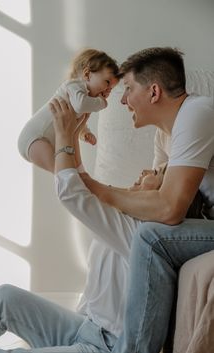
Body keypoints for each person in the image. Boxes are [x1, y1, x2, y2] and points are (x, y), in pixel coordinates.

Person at [0, 91, 174, 352]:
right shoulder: (122, 214)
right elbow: (83, 183)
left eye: (157, 173)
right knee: (5, 298)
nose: (146, 170)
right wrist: (74, 133)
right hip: (84, 326)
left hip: (106, 347)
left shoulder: (140, 231)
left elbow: (72, 192)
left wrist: (63, 135)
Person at [79, 47, 214, 353]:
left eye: (127, 89)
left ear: (154, 92)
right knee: (135, 227)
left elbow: (169, 209)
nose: (123, 100)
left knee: (151, 237)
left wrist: (100, 190)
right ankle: (102, 327)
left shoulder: (197, 113)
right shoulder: (164, 135)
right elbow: (152, 202)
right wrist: (145, 188)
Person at [17, 48, 119, 173]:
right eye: (107, 82)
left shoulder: (84, 96)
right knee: (63, 173)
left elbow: (75, 119)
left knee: (69, 171)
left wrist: (83, 132)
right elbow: (80, 106)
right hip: (34, 139)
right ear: (87, 74)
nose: (108, 90)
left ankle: (79, 182)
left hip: (47, 141)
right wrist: (102, 102)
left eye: (111, 88)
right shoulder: (72, 85)